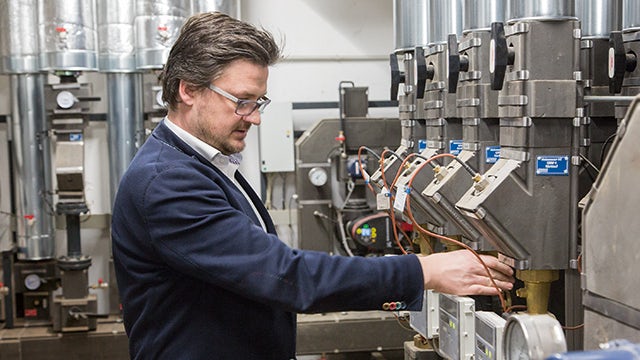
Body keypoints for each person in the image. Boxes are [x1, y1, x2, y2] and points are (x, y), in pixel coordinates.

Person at [111, 11, 514, 360]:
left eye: (259, 102)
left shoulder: (202, 165)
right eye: (243, 100)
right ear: (188, 90)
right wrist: (422, 270)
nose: (254, 117)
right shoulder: (167, 182)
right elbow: (286, 277)